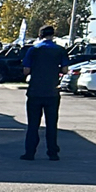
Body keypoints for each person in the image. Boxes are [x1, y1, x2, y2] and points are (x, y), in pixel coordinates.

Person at [21, 24, 68, 160]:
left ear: (40, 35)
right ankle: (52, 152)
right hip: (52, 92)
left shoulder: (33, 50)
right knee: (51, 124)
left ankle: (30, 152)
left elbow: (26, 70)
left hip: (35, 91)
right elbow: (65, 70)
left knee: (33, 124)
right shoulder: (60, 50)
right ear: (53, 35)